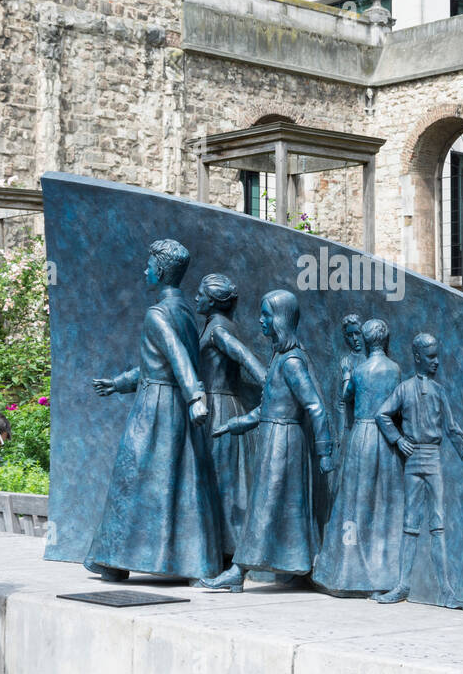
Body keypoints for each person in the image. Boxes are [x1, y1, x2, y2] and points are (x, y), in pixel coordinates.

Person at [87, 239, 220, 582]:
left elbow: (177, 357)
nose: (144, 269)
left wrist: (196, 397)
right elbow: (157, 362)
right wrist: (118, 383)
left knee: (132, 480)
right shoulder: (185, 312)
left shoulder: (158, 313)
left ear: (160, 271)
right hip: (175, 406)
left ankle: (115, 560)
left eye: (148, 265)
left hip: (156, 408)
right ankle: (192, 564)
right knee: (182, 483)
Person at [200, 289, 334, 591]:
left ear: (281, 320)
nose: (260, 321)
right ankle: (297, 566)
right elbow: (267, 407)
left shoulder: (291, 362)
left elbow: (314, 406)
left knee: (265, 505)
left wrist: (324, 451)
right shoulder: (279, 357)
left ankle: (238, 571)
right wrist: (235, 424)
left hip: (285, 442)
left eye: (266, 315)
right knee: (281, 506)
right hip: (274, 437)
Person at [373, 332, 463, 605]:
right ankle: (403, 585)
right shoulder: (404, 389)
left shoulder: (440, 392)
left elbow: (452, 427)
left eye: (437, 356)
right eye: (431, 357)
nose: (437, 362)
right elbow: (382, 414)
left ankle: (446, 590)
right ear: (418, 358)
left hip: (433, 460)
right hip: (413, 461)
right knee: (410, 525)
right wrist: (398, 439)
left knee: (438, 525)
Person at [312, 318, 404, 595]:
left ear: (365, 340)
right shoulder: (395, 370)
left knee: (355, 502)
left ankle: (348, 569)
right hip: (385, 439)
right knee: (383, 503)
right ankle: (381, 571)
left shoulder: (360, 369)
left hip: (362, 436)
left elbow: (346, 396)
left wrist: (346, 376)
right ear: (385, 340)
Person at [194, 272, 267, 560]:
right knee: (222, 484)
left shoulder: (218, 329)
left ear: (212, 302)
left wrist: (270, 384)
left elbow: (247, 359)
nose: (196, 297)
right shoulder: (215, 324)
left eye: (201, 294)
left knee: (223, 485)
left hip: (218, 411)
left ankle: (228, 556)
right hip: (218, 407)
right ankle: (223, 554)